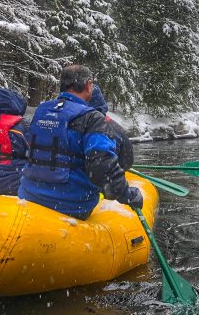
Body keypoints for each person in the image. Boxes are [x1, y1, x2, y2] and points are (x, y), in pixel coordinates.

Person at [18, 65, 142, 220]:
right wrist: (128, 195)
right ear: (88, 85)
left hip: (29, 196)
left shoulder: (42, 110)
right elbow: (102, 166)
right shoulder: (93, 118)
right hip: (71, 206)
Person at [88, 83, 134, 171]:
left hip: (102, 177)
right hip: (114, 174)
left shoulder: (83, 125)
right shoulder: (114, 126)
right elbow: (127, 161)